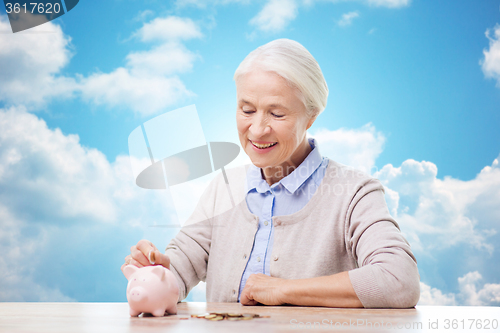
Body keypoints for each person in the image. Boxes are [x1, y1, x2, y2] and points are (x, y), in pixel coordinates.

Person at [123, 39, 420, 308]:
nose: (257, 129)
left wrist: (285, 290)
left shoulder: (354, 193)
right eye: (247, 109)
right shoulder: (224, 188)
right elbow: (180, 267)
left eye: (277, 114)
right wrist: (158, 271)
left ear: (312, 116)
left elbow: (398, 280)